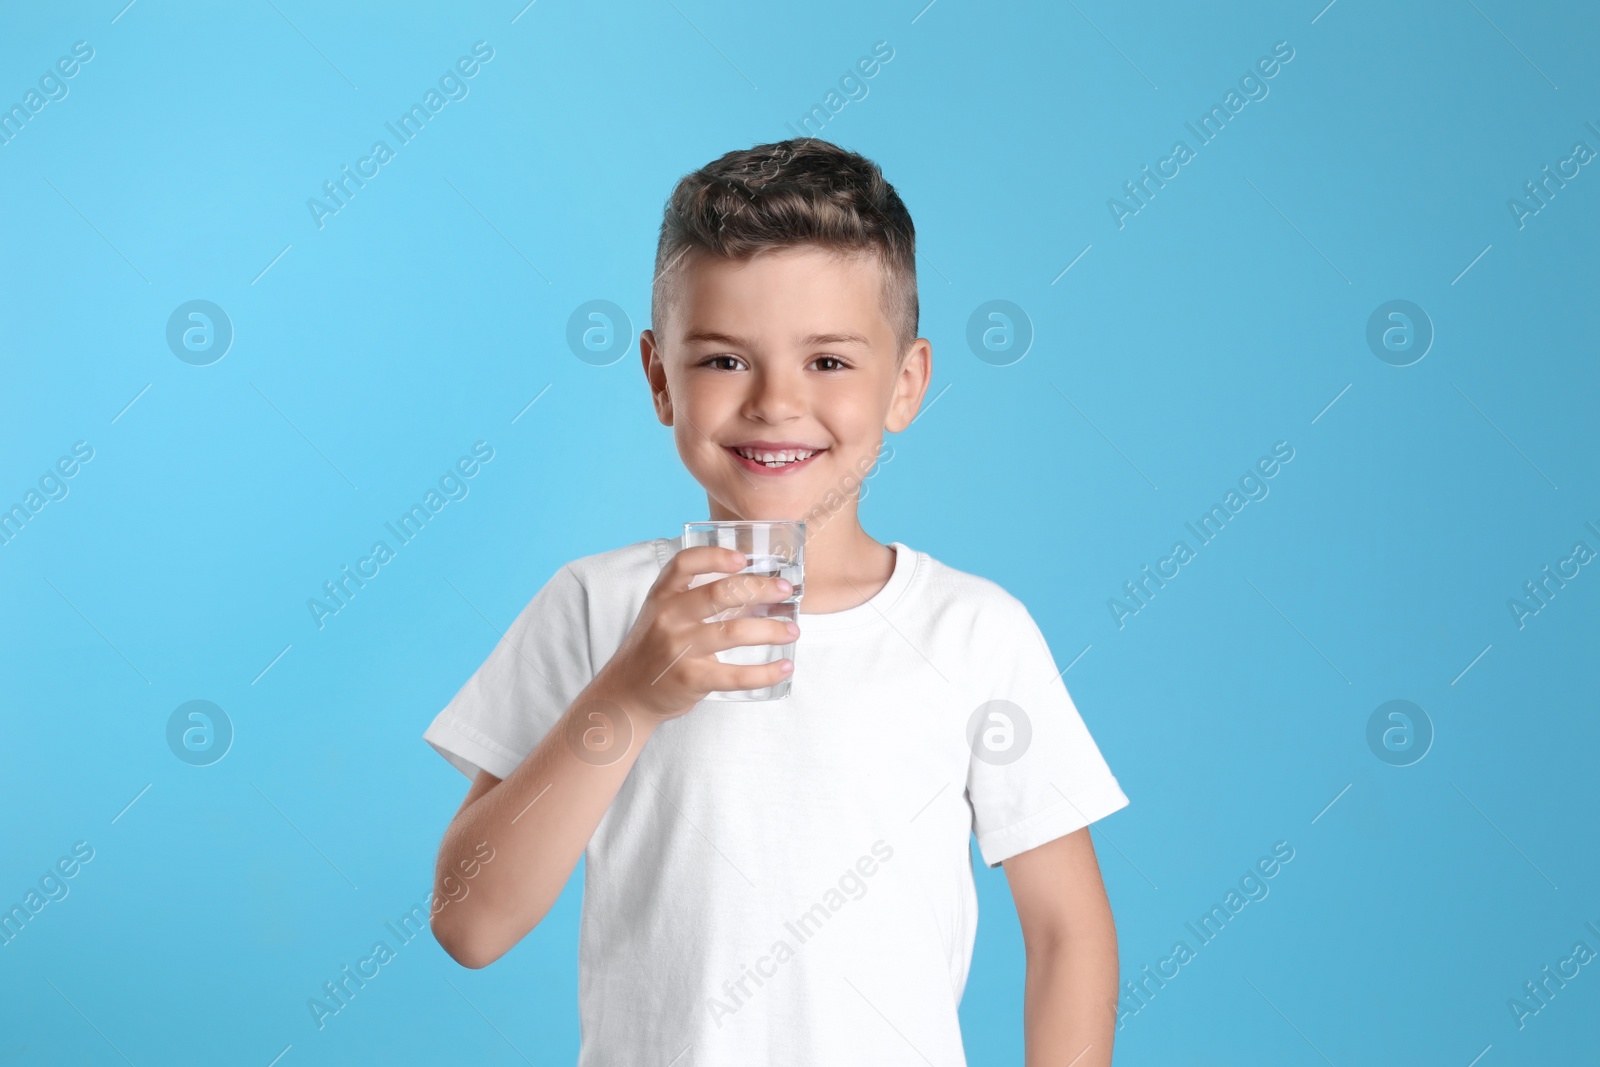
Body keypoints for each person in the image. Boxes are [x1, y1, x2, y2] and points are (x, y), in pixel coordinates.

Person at [423, 137, 1130, 1065]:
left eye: (829, 362)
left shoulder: (973, 634)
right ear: (658, 378)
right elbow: (470, 923)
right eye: (724, 360)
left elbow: (1068, 933)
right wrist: (628, 696)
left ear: (906, 383)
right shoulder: (595, 607)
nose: (774, 404)